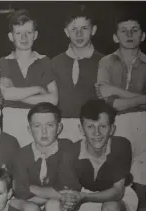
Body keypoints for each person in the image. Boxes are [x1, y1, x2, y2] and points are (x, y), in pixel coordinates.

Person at [96, 13, 146, 211]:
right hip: (117, 126)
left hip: (145, 126)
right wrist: (140, 97)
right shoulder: (106, 61)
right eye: (124, 30)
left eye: (135, 30)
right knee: (120, 192)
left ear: (143, 36)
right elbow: (107, 100)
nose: (129, 34)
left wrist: (124, 97)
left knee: (144, 194)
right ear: (115, 36)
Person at [63, 99, 138, 211]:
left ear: (112, 128)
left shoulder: (121, 145)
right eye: (90, 127)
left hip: (119, 196)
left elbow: (117, 192)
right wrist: (71, 201)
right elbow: (72, 196)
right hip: (85, 198)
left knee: (110, 209)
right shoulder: (71, 152)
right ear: (81, 129)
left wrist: (83, 198)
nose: (97, 133)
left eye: (103, 126)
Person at [13, 102, 81, 211]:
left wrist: (33, 187)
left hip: (61, 205)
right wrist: (53, 194)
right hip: (34, 204)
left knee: (53, 207)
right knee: (32, 207)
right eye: (37, 126)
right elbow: (20, 192)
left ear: (59, 127)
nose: (43, 132)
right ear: (29, 130)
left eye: (49, 125)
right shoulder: (22, 154)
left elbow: (69, 188)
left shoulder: (67, 148)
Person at [0, 9, 58, 147]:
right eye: (18, 33)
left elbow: (53, 99)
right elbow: (6, 94)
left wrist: (17, 94)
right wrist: (38, 89)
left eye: (28, 33)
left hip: (38, 121)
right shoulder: (4, 61)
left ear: (35, 35)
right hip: (11, 121)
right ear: (11, 36)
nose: (24, 38)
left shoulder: (44, 61)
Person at [51, 8, 104, 142]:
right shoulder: (55, 62)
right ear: (66, 32)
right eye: (74, 29)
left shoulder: (105, 62)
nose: (79, 34)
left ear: (94, 30)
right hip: (62, 128)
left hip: (94, 128)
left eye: (84, 28)